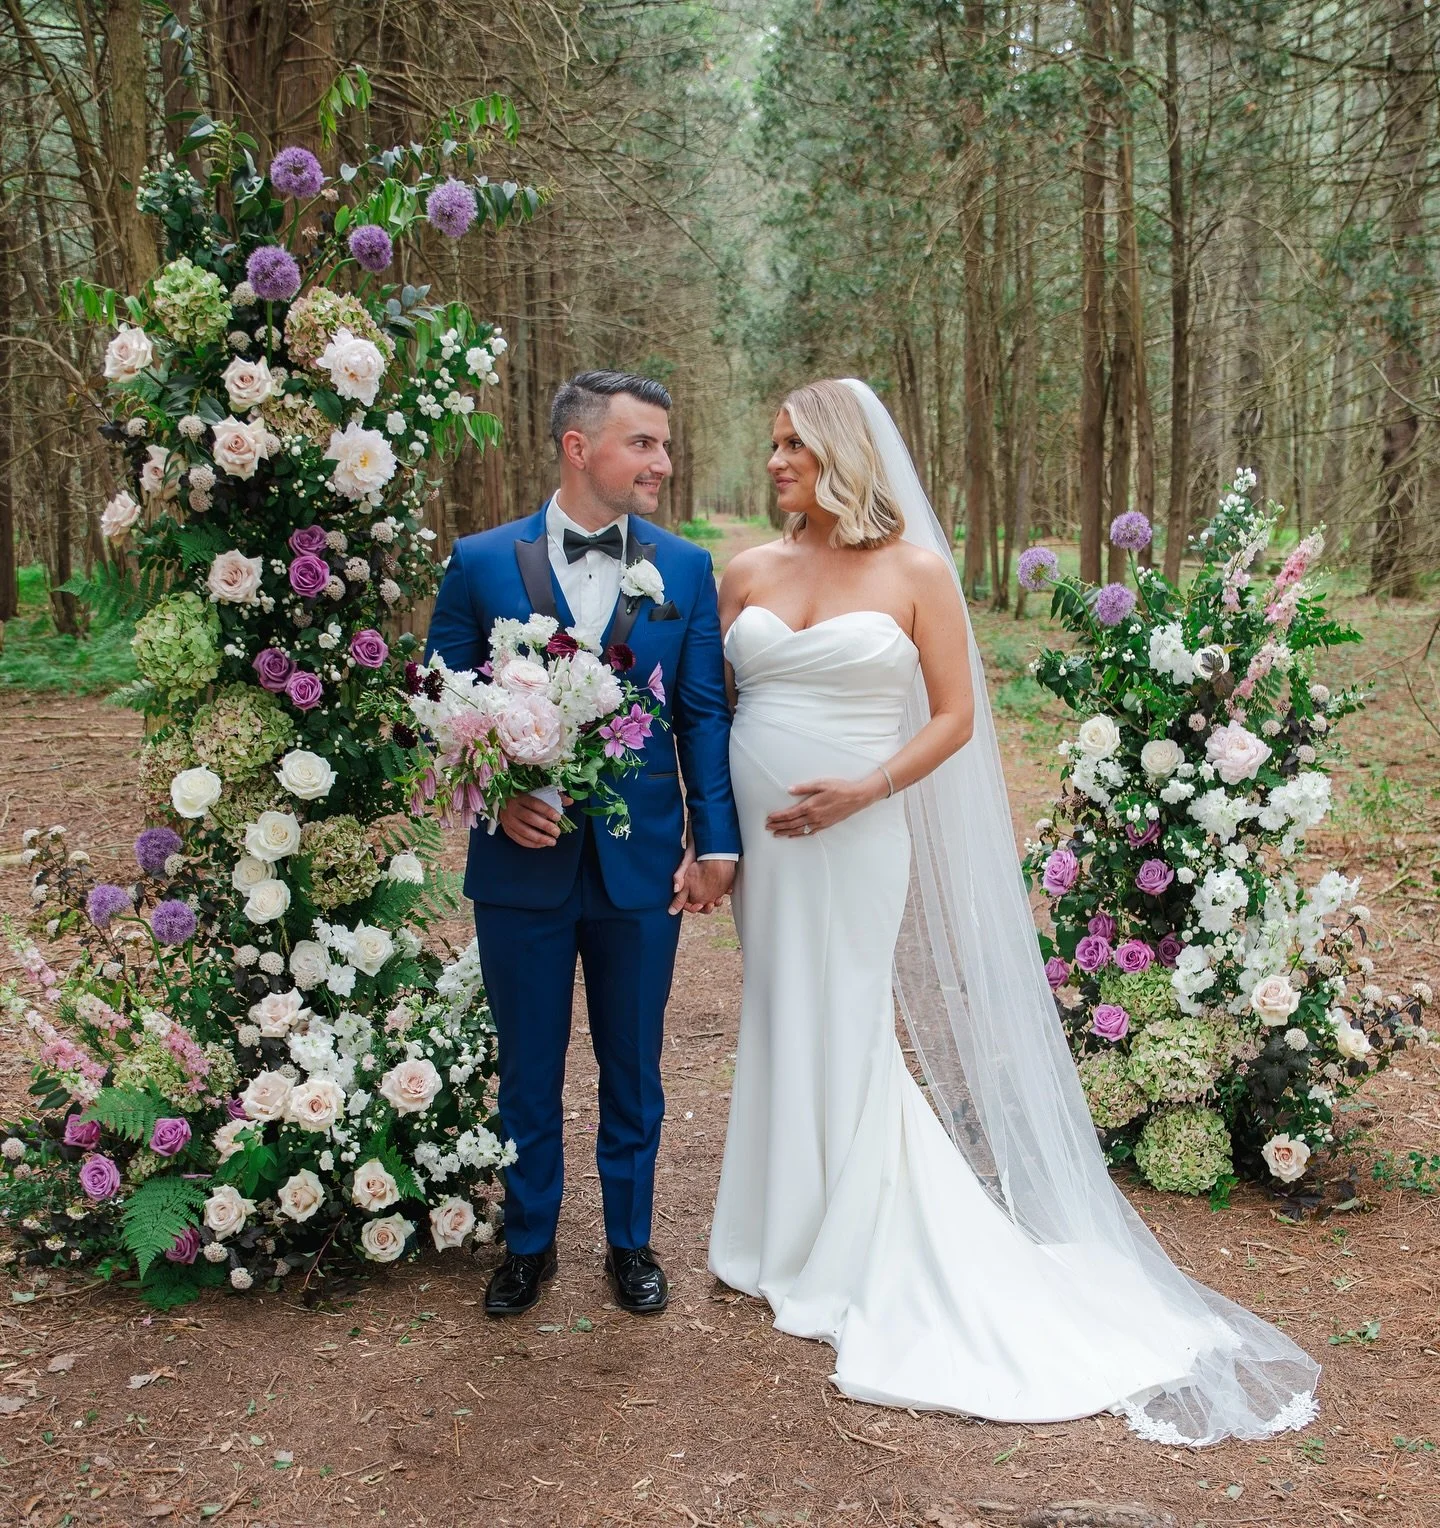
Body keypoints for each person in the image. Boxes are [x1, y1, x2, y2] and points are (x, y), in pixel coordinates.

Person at [707, 378, 1322, 1444]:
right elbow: (711, 705)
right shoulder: (748, 569)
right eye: (770, 446)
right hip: (766, 847)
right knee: (778, 1009)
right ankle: (772, 1229)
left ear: (843, 452)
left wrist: (866, 787)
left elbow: (954, 715)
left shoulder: (917, 571)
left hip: (856, 837)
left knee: (848, 1020)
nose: (774, 463)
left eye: (791, 446)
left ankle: (849, 1232)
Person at [427, 371, 739, 1318]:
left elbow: (702, 713)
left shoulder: (683, 569)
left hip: (640, 862)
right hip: (520, 864)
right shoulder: (481, 562)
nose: (663, 462)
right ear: (578, 447)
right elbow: (437, 706)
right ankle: (528, 1243)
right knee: (527, 1065)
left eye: (665, 445)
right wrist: (495, 793)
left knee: (634, 1062)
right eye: (643, 443)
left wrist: (715, 839)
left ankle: (630, 1241)